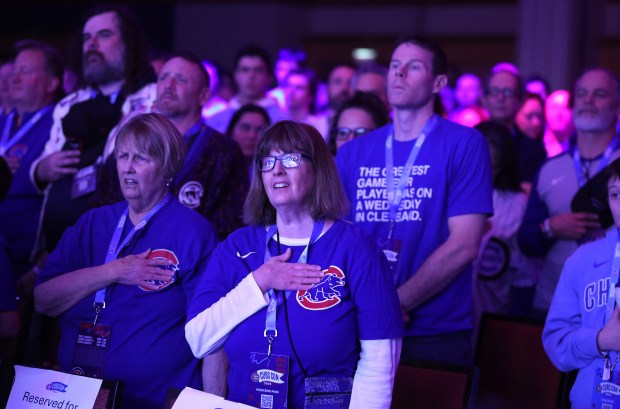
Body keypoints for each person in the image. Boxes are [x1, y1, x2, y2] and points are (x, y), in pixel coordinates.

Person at [185, 121, 403, 409]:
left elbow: (379, 363)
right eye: (268, 161)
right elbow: (198, 340)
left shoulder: (357, 249)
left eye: (290, 158)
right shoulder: (237, 247)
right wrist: (259, 282)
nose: (277, 169)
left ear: (318, 169)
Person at [34, 113, 217, 409]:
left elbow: (213, 331)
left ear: (168, 168)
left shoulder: (193, 232)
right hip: (76, 396)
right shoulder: (93, 222)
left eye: (141, 158)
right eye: (123, 156)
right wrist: (113, 271)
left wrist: (210, 402)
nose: (128, 168)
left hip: (153, 400)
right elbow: (43, 299)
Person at [336, 35, 493, 366]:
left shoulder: (465, 144)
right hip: (360, 325)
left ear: (438, 82)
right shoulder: (353, 152)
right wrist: (370, 306)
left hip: (434, 331)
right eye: (394, 66)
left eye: (413, 66)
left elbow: (464, 245)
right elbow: (335, 239)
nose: (399, 73)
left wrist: (395, 303)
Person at [31, 4, 157, 253]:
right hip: (54, 247)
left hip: (124, 243)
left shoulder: (153, 100)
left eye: (104, 35)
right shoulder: (68, 104)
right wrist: (41, 170)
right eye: (87, 37)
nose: (92, 44)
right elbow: (43, 163)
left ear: (129, 42)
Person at [99, 52, 248, 240]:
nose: (168, 86)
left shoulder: (225, 152)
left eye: (181, 80)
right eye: (163, 78)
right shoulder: (131, 142)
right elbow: (103, 204)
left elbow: (229, 227)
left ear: (203, 96)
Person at [518, 68, 620, 317]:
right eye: (582, 94)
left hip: (611, 309)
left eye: (600, 94)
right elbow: (526, 241)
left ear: (617, 107)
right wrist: (551, 228)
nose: (588, 100)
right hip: (552, 305)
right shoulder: (549, 167)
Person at [543, 157, 620, 409]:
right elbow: (557, 341)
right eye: (616, 194)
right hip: (592, 400)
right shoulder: (583, 261)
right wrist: (600, 340)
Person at [0, 40, 63, 290]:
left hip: (25, 263)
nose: (14, 78)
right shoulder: (4, 120)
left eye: (25, 71)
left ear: (51, 82)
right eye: (14, 71)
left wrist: (41, 266)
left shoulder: (59, 124)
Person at [472, 122, 533, 321]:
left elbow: (524, 276)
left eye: (493, 167)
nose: (482, 174)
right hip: (444, 319)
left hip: (492, 311)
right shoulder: (444, 194)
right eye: (477, 165)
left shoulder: (516, 205)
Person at [483, 64, 547, 193]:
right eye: (494, 91)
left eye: (507, 92)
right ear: (484, 99)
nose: (500, 98)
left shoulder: (533, 151)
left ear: (521, 100)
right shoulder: (468, 143)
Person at [207, 44, 286, 133]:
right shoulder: (215, 122)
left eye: (258, 70)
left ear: (269, 77)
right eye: (245, 70)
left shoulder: (283, 123)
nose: (251, 76)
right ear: (236, 75)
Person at [225, 103, 270, 177]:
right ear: (231, 130)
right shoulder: (214, 165)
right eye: (245, 128)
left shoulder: (273, 172)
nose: (252, 136)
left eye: (259, 130)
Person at [544, 89, 574, 157]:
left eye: (566, 108)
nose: (559, 113)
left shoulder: (582, 148)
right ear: (545, 111)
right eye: (555, 107)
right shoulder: (534, 146)